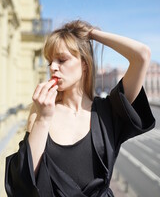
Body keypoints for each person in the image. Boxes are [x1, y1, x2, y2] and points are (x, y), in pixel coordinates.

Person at [5, 20, 155, 197]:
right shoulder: (40, 113)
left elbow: (142, 55)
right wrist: (43, 119)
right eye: (49, 62)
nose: (53, 67)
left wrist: (90, 34)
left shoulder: (108, 110)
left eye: (61, 59)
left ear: (84, 63)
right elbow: (23, 183)